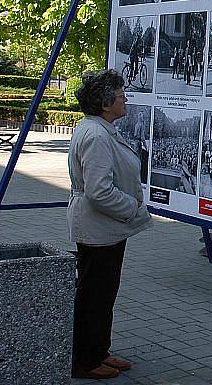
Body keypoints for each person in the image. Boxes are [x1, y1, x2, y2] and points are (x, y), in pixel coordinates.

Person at [68, 70, 153, 379]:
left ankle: (98, 351)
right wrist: (132, 208)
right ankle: (84, 361)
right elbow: (99, 190)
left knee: (103, 294)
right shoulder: (95, 135)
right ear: (105, 104)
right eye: (120, 95)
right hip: (98, 228)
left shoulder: (101, 129)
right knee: (94, 295)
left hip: (105, 228)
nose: (125, 99)